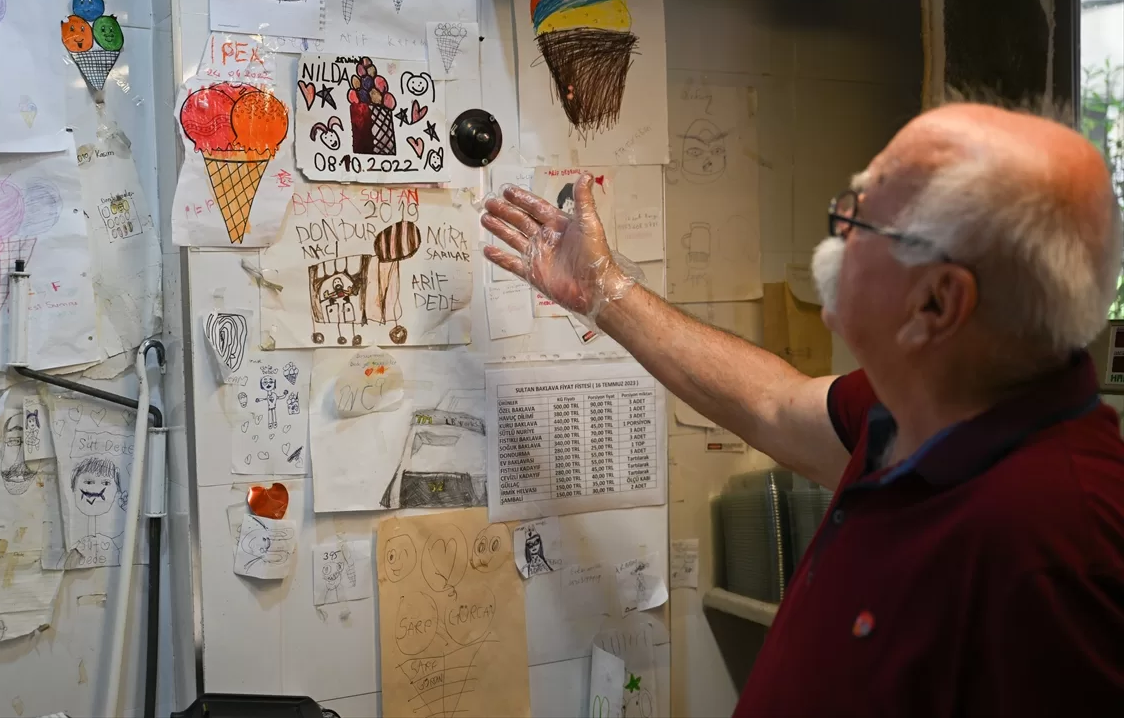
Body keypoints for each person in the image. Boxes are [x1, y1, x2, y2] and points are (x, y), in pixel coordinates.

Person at [481, 103, 1124, 716]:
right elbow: (772, 403)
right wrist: (602, 290)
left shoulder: (1060, 542)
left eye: (861, 218)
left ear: (937, 303)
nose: (837, 230)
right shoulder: (920, 406)